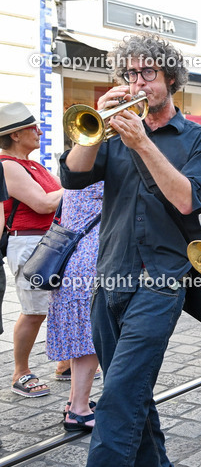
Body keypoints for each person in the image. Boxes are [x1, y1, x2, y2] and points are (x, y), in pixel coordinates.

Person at [53, 33, 201, 467]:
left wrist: (142, 143)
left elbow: (186, 199)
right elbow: (73, 177)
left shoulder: (200, 139)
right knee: (130, 388)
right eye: (129, 74)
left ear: (170, 77)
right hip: (109, 278)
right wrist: (95, 128)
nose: (137, 82)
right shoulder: (111, 129)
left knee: (119, 396)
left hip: (162, 281)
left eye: (147, 73)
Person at [1, 102, 63, 398]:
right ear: (14, 135)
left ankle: (65, 362)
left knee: (61, 305)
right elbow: (43, 203)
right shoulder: (6, 165)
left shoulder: (32, 164)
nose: (39, 131)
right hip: (29, 243)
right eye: (32, 127)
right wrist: (80, 185)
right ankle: (20, 371)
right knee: (35, 311)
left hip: (50, 241)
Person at [46, 182, 104, 431]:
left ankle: (75, 402)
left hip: (71, 261)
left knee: (81, 340)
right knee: (88, 342)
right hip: (88, 263)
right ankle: (79, 411)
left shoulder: (78, 175)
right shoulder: (101, 181)